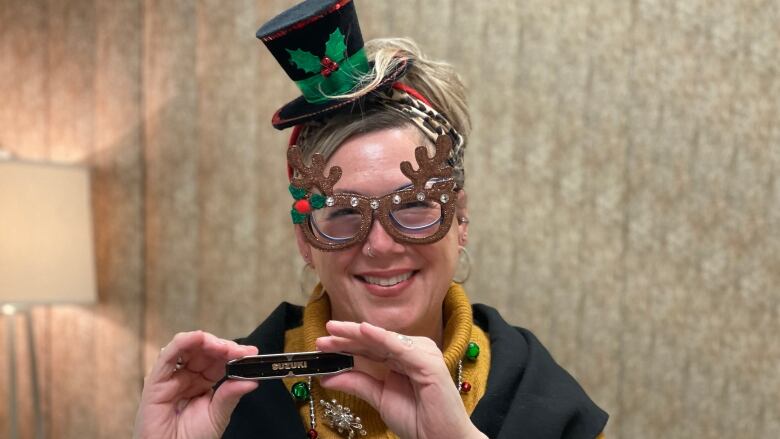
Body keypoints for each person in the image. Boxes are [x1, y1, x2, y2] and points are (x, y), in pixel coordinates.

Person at [133, 1, 608, 438]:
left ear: (461, 220)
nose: (380, 245)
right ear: (305, 240)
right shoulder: (224, 400)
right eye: (342, 214)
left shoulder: (545, 405)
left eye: (413, 206)